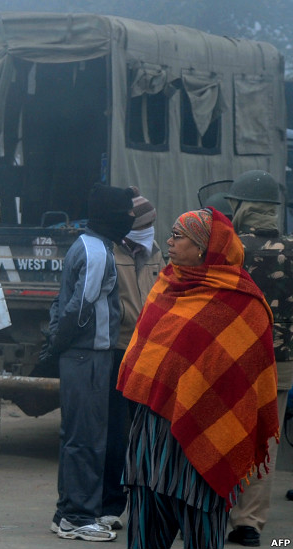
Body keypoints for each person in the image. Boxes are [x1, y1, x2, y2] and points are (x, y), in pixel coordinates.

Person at [117, 207, 278, 549]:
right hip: (154, 434)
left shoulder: (242, 303)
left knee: (202, 530)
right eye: (171, 234)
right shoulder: (166, 285)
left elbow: (243, 382)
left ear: (205, 248)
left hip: (208, 435)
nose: (169, 242)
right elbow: (145, 356)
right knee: (145, 527)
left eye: (179, 236)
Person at [44, 184, 135, 542]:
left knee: (76, 436)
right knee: (86, 438)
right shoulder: (97, 252)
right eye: (126, 212)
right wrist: (61, 342)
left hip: (80, 355)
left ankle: (67, 511)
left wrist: (58, 343)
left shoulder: (86, 245)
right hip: (89, 356)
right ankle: (77, 517)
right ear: (111, 215)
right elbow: (79, 306)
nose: (130, 218)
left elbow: (62, 301)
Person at [224, 170, 293, 547]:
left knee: (221, 435)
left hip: (227, 361)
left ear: (241, 207)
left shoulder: (226, 250)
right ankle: (248, 524)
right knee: (265, 443)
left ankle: (209, 511)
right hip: (279, 364)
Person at [106, 187, 164, 528]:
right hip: (119, 352)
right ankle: (111, 505)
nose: (150, 232)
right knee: (115, 435)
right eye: (145, 225)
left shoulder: (157, 252)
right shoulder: (110, 252)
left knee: (147, 436)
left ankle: (146, 506)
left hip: (152, 355)